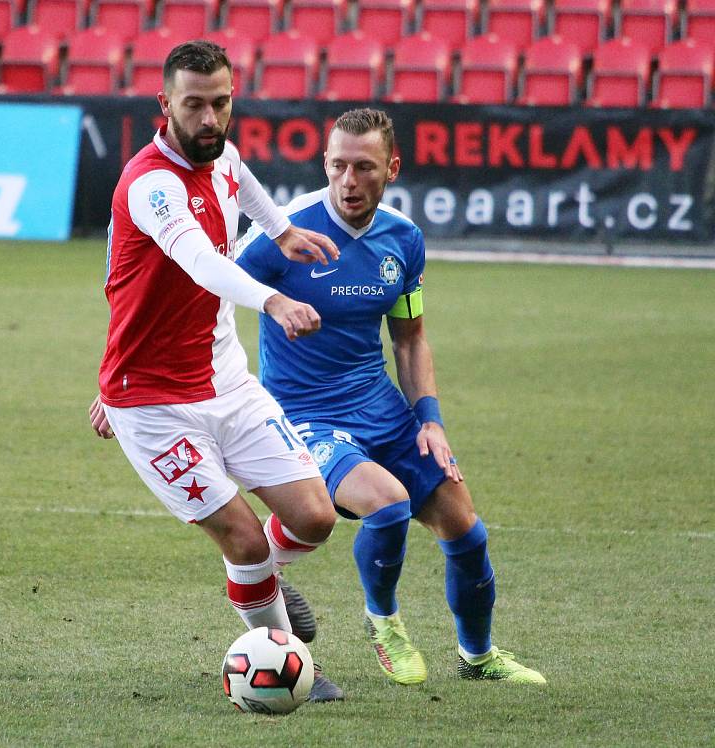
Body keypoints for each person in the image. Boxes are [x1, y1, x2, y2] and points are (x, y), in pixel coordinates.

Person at [234, 108, 546, 686]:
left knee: (466, 531)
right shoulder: (286, 231)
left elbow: (410, 338)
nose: (348, 181)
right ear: (324, 164)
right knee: (388, 501)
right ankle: (384, 623)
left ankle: (478, 658)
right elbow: (207, 292)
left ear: (392, 168)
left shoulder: (403, 238)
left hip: (381, 407)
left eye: (364, 167)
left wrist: (430, 420)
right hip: (305, 417)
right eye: (338, 166)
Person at [88, 40, 345, 702]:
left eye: (221, 103)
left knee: (315, 516)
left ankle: (257, 577)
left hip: (225, 379)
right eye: (194, 104)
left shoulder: (220, 151)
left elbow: (238, 172)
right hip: (150, 401)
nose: (209, 119)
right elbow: (201, 264)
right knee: (240, 532)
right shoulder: (152, 185)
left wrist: (281, 229)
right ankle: (283, 660)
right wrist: (274, 297)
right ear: (164, 104)